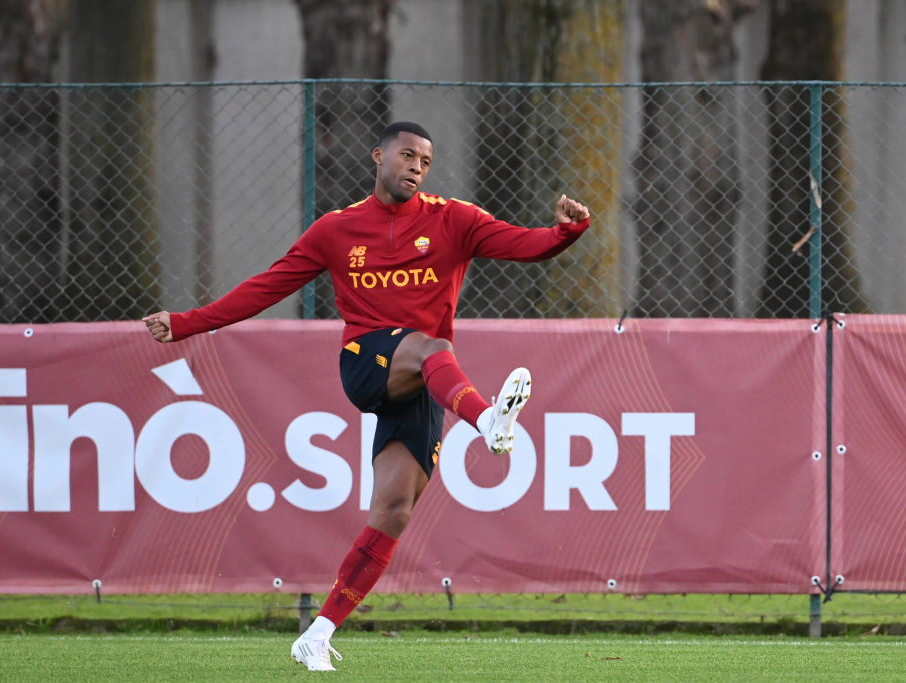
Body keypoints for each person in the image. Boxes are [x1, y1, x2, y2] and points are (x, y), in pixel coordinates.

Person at [142, 121, 590, 671]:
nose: (416, 168)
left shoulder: (455, 219)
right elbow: (267, 285)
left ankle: (318, 632)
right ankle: (489, 423)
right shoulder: (337, 229)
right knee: (430, 347)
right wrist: (187, 323)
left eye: (425, 161)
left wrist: (568, 231)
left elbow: (527, 245)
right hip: (368, 363)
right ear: (379, 156)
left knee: (394, 512)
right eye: (407, 156)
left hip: (428, 384)